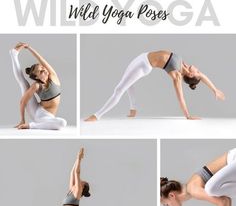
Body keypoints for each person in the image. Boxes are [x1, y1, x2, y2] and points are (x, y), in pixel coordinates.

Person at [9, 148, 146, 206]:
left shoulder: (77, 191)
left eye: (83, 182)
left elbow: (77, 172)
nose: (81, 180)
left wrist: (79, 159)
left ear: (83, 186)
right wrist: (76, 159)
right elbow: (72, 172)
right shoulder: (71, 190)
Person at [85, 50, 225, 121]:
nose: (199, 70)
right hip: (142, 57)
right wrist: (215, 89)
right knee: (127, 83)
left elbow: (180, 97)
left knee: (119, 89)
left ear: (191, 76)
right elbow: (203, 76)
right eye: (199, 72)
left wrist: (188, 116)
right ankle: (133, 110)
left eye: (197, 72)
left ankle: (97, 116)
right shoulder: (184, 65)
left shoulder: (176, 74)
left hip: (143, 65)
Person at [161, 148, 236, 206]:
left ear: (171, 195)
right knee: (214, 190)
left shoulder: (193, 189)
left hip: (233, 159)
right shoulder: (192, 186)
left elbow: (223, 201)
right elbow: (225, 199)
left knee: (211, 189)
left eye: (166, 204)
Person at [10, 42, 67, 130]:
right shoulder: (36, 86)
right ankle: (14, 54)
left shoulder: (53, 77)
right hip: (36, 113)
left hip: (48, 117)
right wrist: (22, 120)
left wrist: (29, 48)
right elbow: (23, 102)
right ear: (37, 77)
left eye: (43, 68)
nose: (44, 70)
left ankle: (33, 125)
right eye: (40, 71)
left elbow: (40, 59)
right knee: (23, 83)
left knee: (62, 123)